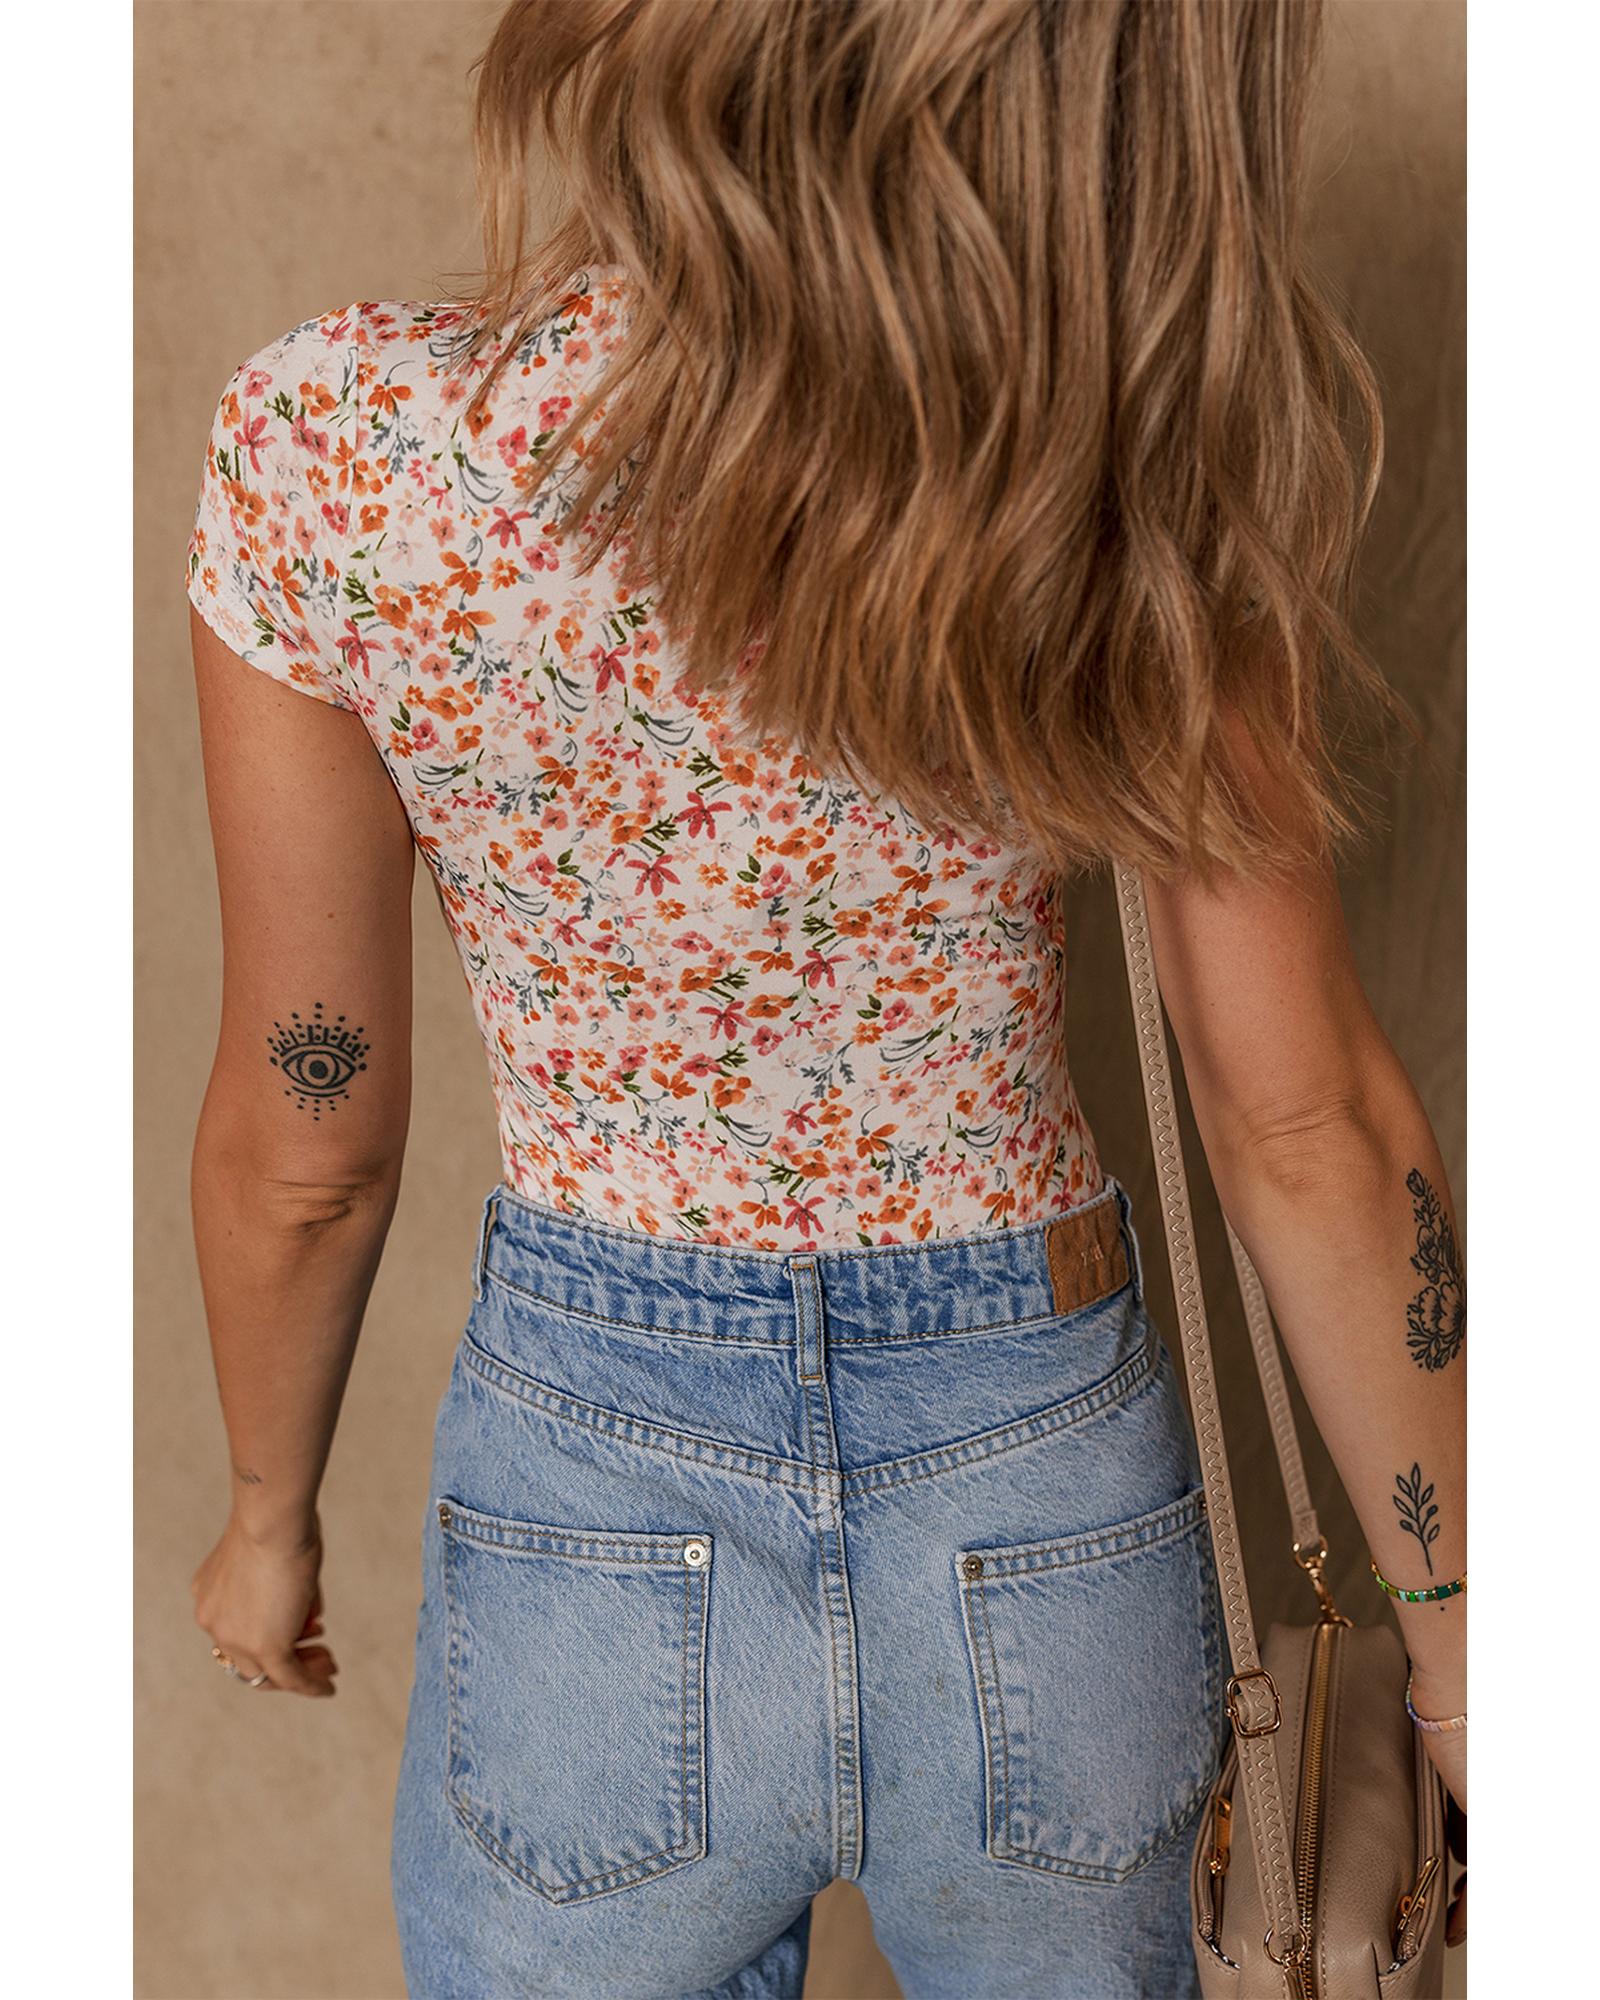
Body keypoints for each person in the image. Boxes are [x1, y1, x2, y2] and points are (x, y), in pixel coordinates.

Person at [184, 2, 1465, 1994]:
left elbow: (308, 1140)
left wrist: (269, 1518)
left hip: (586, 1494)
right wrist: (1463, 1661)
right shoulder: (1121, 437)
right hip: (1044, 1487)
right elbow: (1299, 1124)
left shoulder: (339, 447)